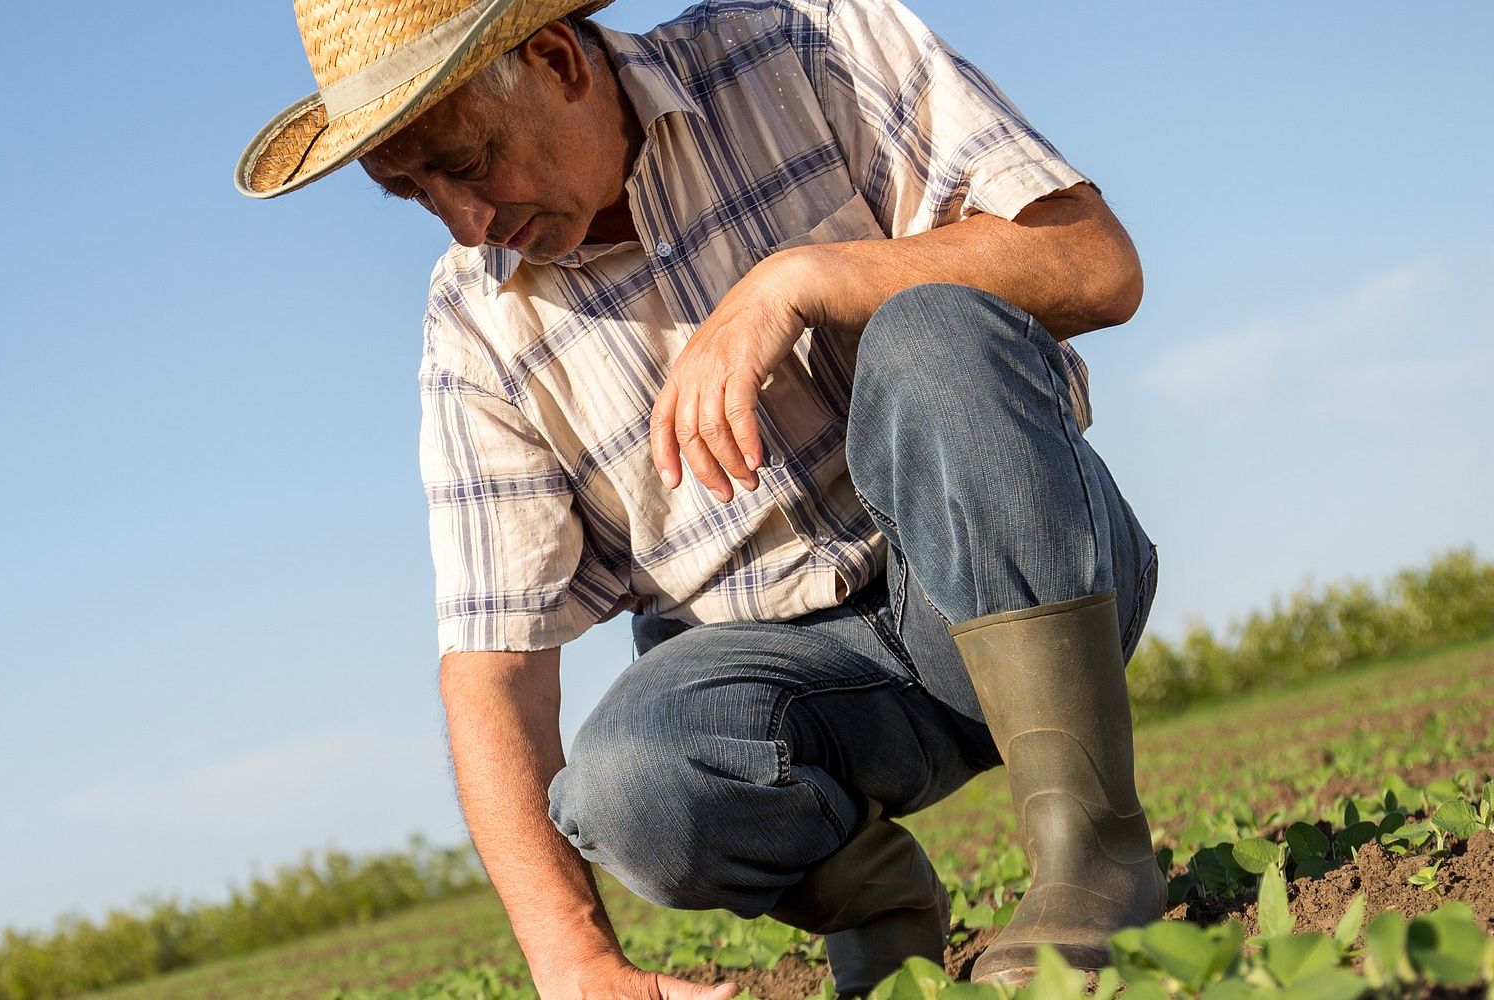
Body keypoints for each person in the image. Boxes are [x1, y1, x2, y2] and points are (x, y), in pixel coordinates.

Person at [236, 1, 1164, 998]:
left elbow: (1096, 265)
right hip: (804, 700)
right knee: (624, 784)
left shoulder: (802, 44)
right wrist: (573, 962)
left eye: (465, 161)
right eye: (408, 190)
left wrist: (807, 278)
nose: (465, 221)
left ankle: (1092, 854)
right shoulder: (472, 325)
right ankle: (880, 911)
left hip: (1018, 572)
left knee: (927, 327)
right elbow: (491, 666)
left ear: (555, 58)